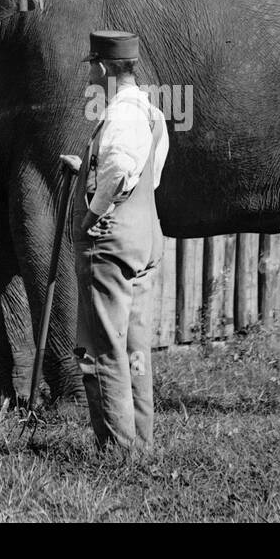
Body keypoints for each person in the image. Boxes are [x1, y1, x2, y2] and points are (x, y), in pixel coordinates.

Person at [73, 30, 169, 452]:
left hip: (111, 241)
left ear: (102, 68)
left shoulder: (118, 115)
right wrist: (84, 170)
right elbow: (148, 171)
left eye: (93, 68)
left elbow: (117, 172)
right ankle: (142, 444)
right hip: (147, 236)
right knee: (134, 347)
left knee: (101, 347)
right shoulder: (151, 112)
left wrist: (92, 214)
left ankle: (117, 451)